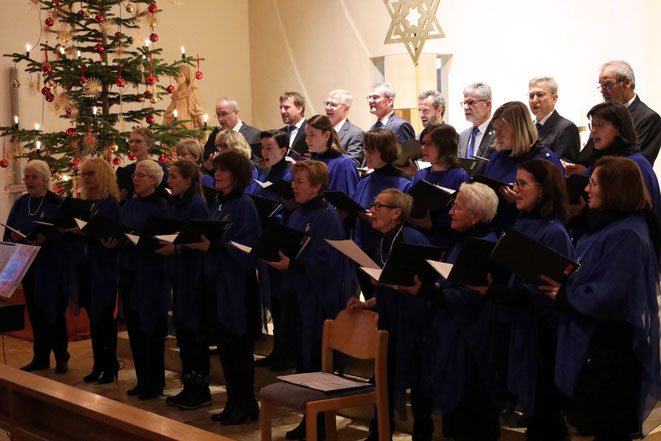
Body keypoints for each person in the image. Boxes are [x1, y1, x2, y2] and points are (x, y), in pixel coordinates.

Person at [541, 156, 661, 441]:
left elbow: (611, 293)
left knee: (610, 428)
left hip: (612, 351)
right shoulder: (609, 227)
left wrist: (565, 295)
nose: (586, 190)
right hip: (600, 345)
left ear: (615, 188)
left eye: (594, 183)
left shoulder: (628, 233)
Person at [397, 182, 502, 441]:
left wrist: (426, 291)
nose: (451, 213)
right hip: (456, 335)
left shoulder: (482, 245)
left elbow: (467, 297)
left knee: (472, 417)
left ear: (477, 216)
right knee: (458, 420)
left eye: (457, 207)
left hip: (471, 343)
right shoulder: (466, 241)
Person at [477, 159, 573, 441]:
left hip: (540, 335)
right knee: (536, 419)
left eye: (522, 184)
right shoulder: (524, 223)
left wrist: (496, 291)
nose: (515, 189)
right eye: (515, 183)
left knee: (546, 416)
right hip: (519, 326)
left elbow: (546, 291)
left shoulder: (553, 231)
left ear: (542, 190)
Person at [266, 160, 354, 440]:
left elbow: (329, 262)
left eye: (300, 182)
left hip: (317, 301)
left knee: (315, 363)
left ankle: (319, 422)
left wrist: (293, 265)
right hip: (297, 294)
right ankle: (309, 420)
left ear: (317, 186)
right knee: (303, 364)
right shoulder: (298, 212)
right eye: (293, 181)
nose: (293, 186)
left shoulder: (327, 217)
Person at [346, 189, 432, 441]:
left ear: (396, 213)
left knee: (418, 387)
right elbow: (387, 291)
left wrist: (392, 285)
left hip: (415, 325)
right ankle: (379, 433)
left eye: (379, 206)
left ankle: (422, 435)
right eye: (373, 204)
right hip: (390, 323)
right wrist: (367, 304)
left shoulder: (414, 240)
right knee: (383, 380)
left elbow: (424, 286)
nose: (372, 210)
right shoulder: (382, 241)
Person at [192, 150, 265, 425]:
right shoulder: (220, 202)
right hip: (218, 283)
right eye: (216, 170)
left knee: (239, 349)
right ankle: (233, 401)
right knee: (226, 348)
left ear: (237, 174)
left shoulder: (243, 204)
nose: (217, 175)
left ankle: (246, 403)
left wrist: (213, 246)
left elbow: (246, 248)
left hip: (236, 286)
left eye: (223, 170)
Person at [3, 160, 69, 374]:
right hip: (28, 265)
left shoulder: (56, 203)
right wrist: (14, 236)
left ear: (45, 180)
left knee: (54, 313)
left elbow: (66, 236)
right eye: (27, 177)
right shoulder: (22, 203)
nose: (29, 181)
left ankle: (61, 357)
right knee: (36, 313)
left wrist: (46, 240)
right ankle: (40, 357)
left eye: (34, 177)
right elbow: (8, 232)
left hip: (51, 266)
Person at [157, 160, 211, 410]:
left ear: (188, 180)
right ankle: (189, 386)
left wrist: (175, 247)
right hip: (179, 275)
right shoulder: (176, 202)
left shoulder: (196, 205)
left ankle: (199, 389)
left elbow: (196, 242)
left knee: (193, 334)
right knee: (185, 333)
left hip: (193, 277)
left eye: (174, 177)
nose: (169, 181)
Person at [117, 159, 169, 400]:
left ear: (154, 180)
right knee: (135, 328)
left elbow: (161, 238)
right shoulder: (130, 204)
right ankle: (142, 379)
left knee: (151, 329)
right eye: (136, 175)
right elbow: (121, 228)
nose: (136, 179)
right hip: (129, 268)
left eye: (141, 175)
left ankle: (155, 382)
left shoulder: (161, 206)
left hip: (151, 272)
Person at [75, 158, 122, 384]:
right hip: (86, 265)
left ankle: (111, 366)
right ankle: (98, 364)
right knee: (93, 318)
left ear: (102, 175)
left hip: (104, 264)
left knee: (104, 317)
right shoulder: (85, 203)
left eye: (91, 173)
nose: (86, 178)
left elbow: (114, 233)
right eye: (83, 173)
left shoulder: (110, 203)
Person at [351, 129, 413, 300]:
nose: (366, 154)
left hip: (387, 253)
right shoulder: (365, 180)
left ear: (385, 151)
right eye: (365, 149)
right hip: (361, 250)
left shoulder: (404, 181)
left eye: (371, 150)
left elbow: (404, 222)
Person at [486, 101, 564, 232]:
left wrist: (518, 200)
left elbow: (555, 207)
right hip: (495, 230)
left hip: (531, 233)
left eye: (501, 131)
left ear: (518, 130)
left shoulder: (544, 161)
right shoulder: (497, 156)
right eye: (495, 130)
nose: (497, 135)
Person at [583, 101, 661, 218]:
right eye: (592, 125)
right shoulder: (600, 161)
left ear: (618, 129)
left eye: (599, 125)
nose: (593, 131)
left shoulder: (634, 165)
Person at [409, 123, 470, 250]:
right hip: (419, 239)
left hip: (445, 243)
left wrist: (432, 225)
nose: (423, 148)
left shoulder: (459, 176)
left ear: (445, 146)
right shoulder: (421, 174)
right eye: (422, 144)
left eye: (429, 144)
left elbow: (463, 217)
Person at [305, 114, 359, 197]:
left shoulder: (343, 163)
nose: (307, 140)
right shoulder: (308, 162)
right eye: (306, 135)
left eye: (312, 134)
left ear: (326, 135)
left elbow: (347, 200)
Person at [528, 76, 580, 161]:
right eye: (531, 96)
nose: (534, 100)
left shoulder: (566, 128)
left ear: (554, 98)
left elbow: (564, 167)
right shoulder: (528, 128)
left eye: (540, 95)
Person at [117, 128, 169, 203]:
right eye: (131, 141)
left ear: (148, 145)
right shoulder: (126, 170)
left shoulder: (159, 167)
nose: (133, 145)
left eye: (138, 141)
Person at [457, 82, 495, 175]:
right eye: (465, 103)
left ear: (487, 105)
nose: (466, 107)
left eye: (471, 102)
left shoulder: (498, 133)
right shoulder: (463, 135)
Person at [324, 89, 365, 167]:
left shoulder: (356, 134)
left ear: (346, 109)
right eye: (327, 103)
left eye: (333, 104)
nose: (328, 108)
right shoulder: (322, 131)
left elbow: (353, 163)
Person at [162, 65, 205, 130]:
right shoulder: (176, 93)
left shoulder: (192, 92)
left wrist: (200, 119)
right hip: (177, 126)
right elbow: (169, 112)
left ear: (187, 76)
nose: (178, 78)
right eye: (177, 75)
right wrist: (168, 118)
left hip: (188, 125)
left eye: (180, 75)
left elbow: (198, 110)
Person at [280, 91, 308, 157]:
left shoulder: (311, 131)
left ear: (299, 109)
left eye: (286, 107)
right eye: (281, 108)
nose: (282, 111)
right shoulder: (279, 133)